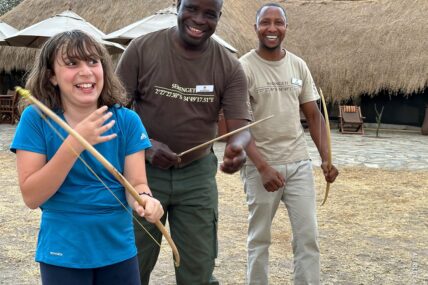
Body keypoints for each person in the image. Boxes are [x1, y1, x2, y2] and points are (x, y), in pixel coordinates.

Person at [10, 30, 164, 285]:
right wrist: (75, 142)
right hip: (63, 251)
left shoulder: (127, 121)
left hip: (119, 249)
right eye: (71, 63)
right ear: (51, 76)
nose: (86, 71)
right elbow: (32, 196)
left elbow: (137, 184)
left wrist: (145, 200)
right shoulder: (35, 120)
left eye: (94, 61)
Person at [116, 0, 251, 284]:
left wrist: (237, 148)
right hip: (143, 173)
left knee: (198, 267)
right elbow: (113, 113)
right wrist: (148, 146)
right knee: (131, 263)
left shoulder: (230, 66)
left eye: (209, 14)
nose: (199, 19)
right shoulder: (141, 49)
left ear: (219, 17)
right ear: (177, 5)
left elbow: (241, 127)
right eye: (191, 8)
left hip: (197, 176)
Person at [239, 3, 339, 285]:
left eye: (278, 22)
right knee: (259, 239)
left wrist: (326, 157)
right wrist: (262, 167)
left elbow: (313, 114)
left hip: (299, 165)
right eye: (265, 22)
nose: (272, 28)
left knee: (308, 238)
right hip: (261, 167)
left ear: (286, 27)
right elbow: (238, 125)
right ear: (255, 27)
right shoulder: (243, 67)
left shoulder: (298, 65)